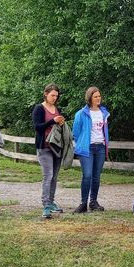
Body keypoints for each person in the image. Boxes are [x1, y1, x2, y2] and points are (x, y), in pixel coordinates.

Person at [72, 86, 110, 213]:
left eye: (99, 96)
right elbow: (76, 133)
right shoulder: (81, 114)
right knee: (87, 175)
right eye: (95, 97)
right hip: (87, 148)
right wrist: (82, 142)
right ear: (90, 98)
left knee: (96, 177)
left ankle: (93, 202)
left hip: (100, 147)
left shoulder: (104, 112)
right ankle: (83, 203)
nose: (98, 98)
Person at [33, 84, 66, 219]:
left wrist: (60, 123)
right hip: (44, 147)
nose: (54, 98)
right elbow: (37, 127)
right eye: (52, 95)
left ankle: (51, 202)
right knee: (48, 175)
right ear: (46, 94)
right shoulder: (39, 108)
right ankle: (46, 204)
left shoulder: (57, 108)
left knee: (54, 177)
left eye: (56, 96)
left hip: (56, 147)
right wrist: (52, 121)